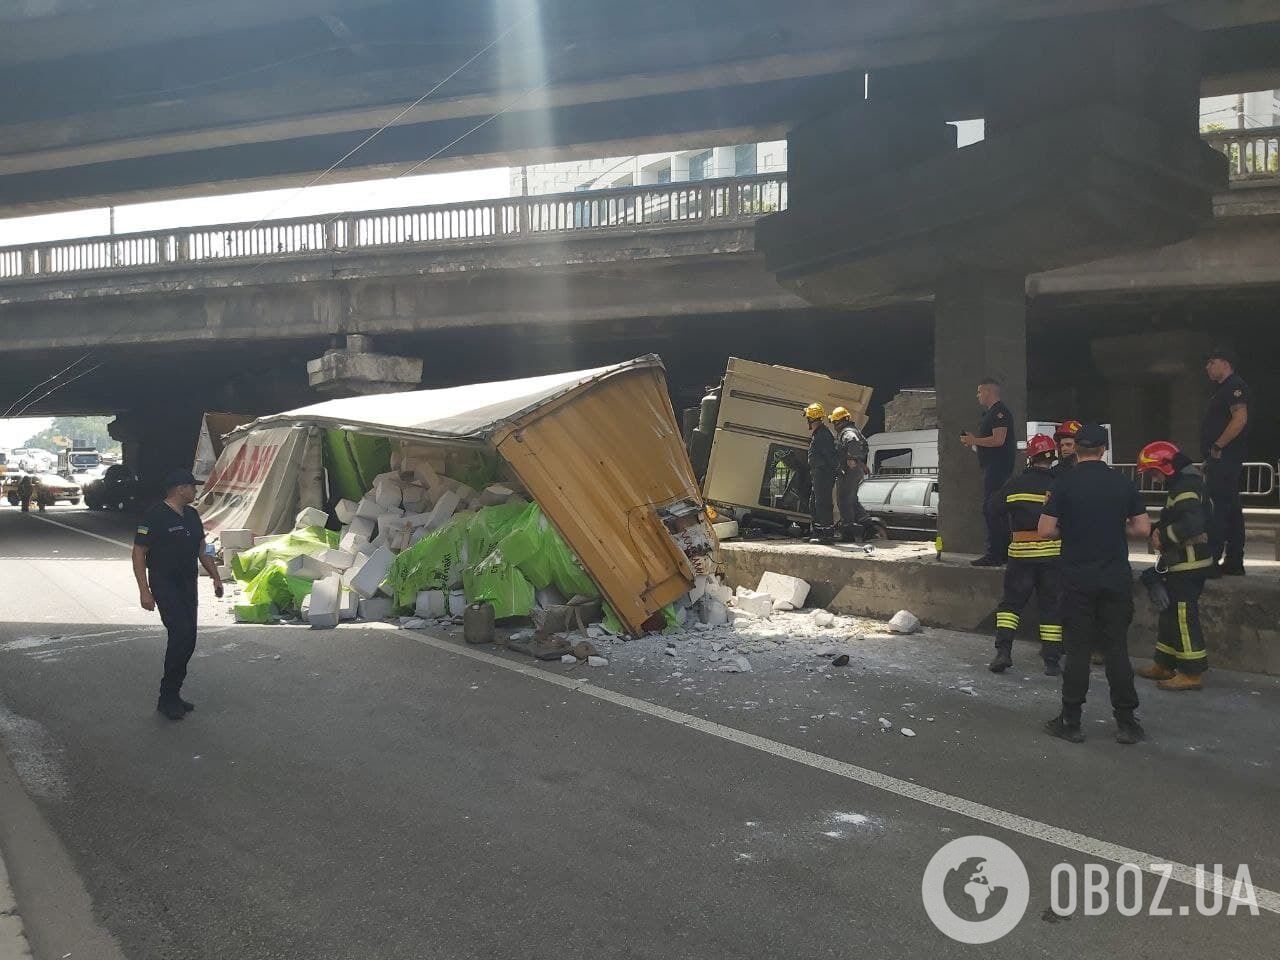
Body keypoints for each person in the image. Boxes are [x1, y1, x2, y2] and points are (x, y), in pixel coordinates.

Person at [1037, 424, 1150, 745]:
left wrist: (1072, 532)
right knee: (1116, 648)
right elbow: (1142, 528)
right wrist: (1113, 529)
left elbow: (1045, 529)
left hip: (1076, 579)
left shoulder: (1064, 483)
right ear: (1103, 449)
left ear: (1077, 449)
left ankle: (1070, 721)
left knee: (1077, 650)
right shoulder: (1121, 482)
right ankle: (1127, 722)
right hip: (1114, 578)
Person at [133, 469, 223, 720]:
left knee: (189, 639)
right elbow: (139, 552)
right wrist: (144, 590)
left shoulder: (192, 515)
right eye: (192, 487)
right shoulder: (154, 515)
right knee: (180, 635)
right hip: (164, 584)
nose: (195, 491)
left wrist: (215, 577)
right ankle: (166, 696)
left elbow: (202, 550)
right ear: (179, 489)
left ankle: (174, 692)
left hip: (187, 584)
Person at [1134, 441, 1213, 691]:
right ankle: (1164, 663)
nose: (1153, 478)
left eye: (1153, 472)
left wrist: (1163, 536)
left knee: (1182, 615)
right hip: (1181, 562)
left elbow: (1191, 523)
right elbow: (1178, 517)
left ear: (1167, 467)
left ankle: (1192, 672)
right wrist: (1158, 529)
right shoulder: (1181, 485)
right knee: (1169, 614)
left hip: (1189, 563)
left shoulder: (1186, 486)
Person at [989, 434, 1063, 676]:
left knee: (1011, 606)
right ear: (1052, 457)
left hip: (1021, 556)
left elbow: (992, 509)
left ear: (1030, 457)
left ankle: (1003, 652)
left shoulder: (1016, 484)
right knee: (1051, 608)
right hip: (1053, 556)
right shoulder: (1060, 484)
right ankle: (1051, 661)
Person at [1201, 347, 1249, 576]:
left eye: (1211, 361)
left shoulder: (1234, 387)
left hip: (1225, 458)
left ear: (1225, 363)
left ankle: (1212, 558)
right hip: (1221, 459)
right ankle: (1234, 559)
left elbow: (1240, 419)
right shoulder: (1221, 390)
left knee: (1217, 508)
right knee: (1231, 510)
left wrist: (1218, 446)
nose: (1207, 367)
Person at [961, 378, 1017, 566]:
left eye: (979, 392)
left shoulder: (999, 412)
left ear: (988, 392)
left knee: (992, 509)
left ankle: (995, 554)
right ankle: (1002, 553)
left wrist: (975, 440)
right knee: (995, 510)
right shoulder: (989, 414)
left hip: (998, 468)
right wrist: (974, 443)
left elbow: (998, 440)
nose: (977, 395)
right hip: (991, 466)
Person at [831, 406, 869, 541]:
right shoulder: (852, 430)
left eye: (834, 422)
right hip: (854, 470)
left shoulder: (847, 432)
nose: (834, 425)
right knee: (851, 499)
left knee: (844, 500)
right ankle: (867, 526)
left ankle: (848, 534)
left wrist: (851, 459)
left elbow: (853, 442)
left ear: (838, 421)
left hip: (849, 471)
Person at [804, 402, 838, 545]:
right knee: (814, 503)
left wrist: (827, 472)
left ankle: (827, 535)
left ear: (811, 419)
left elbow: (830, 457)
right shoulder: (819, 433)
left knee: (823, 503)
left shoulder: (823, 435)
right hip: (818, 474)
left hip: (823, 475)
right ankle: (817, 532)